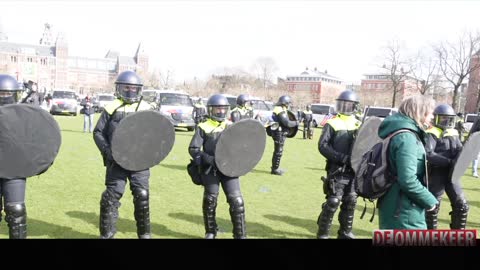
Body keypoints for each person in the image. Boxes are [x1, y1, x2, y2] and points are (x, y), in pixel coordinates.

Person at [93, 70, 153, 239]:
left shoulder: (146, 109)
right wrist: (107, 151)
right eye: (126, 87)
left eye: (133, 88)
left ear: (139, 89)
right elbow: (98, 132)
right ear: (119, 88)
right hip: (116, 162)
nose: (129, 91)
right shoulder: (111, 108)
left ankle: (144, 235)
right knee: (111, 196)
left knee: (142, 196)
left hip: (139, 163)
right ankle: (107, 234)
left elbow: (156, 135)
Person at [188, 94, 246, 239]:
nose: (220, 112)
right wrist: (208, 159)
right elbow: (194, 149)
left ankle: (240, 234)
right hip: (210, 170)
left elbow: (242, 147)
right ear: (211, 110)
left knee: (237, 201)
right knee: (210, 200)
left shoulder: (231, 126)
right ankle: (210, 231)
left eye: (223, 109)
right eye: (217, 109)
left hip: (229, 170)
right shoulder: (203, 127)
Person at [377, 95, 438, 229]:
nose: (432, 116)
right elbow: (408, 180)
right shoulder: (407, 138)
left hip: (395, 205)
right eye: (430, 112)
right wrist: (431, 201)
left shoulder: (400, 132)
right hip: (404, 210)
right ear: (420, 111)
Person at [316, 90, 361, 239]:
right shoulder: (332, 122)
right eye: (341, 104)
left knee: (351, 201)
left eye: (348, 105)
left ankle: (345, 232)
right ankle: (323, 233)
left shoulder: (359, 124)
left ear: (354, 106)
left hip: (354, 171)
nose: (344, 107)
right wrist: (341, 158)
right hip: (337, 170)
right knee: (333, 201)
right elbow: (323, 146)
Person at [425, 104, 467, 229]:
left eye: (449, 119)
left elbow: (460, 149)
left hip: (453, 174)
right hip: (436, 175)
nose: (446, 121)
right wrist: (449, 162)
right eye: (443, 118)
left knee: (462, 206)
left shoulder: (454, 132)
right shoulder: (431, 132)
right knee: (432, 207)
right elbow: (428, 153)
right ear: (436, 118)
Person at [0, 74, 28, 238]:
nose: (4, 97)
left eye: (7, 93)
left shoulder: (25, 115)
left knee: (16, 210)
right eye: (1, 93)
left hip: (15, 169)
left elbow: (36, 142)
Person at [270, 95, 298, 176]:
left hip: (281, 132)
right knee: (278, 152)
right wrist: (296, 123)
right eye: (288, 103)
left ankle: (275, 168)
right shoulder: (279, 110)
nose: (288, 104)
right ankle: (274, 169)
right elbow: (287, 123)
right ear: (284, 103)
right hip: (279, 133)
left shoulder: (282, 109)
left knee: (279, 151)